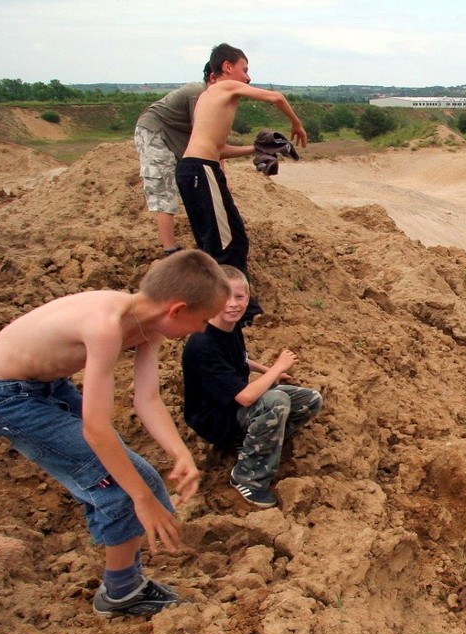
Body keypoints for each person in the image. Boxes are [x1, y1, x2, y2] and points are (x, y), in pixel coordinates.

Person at [0, 250, 230, 618]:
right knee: (122, 484)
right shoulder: (105, 326)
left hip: (47, 387)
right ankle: (121, 593)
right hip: (5, 398)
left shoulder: (147, 324)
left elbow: (147, 398)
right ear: (177, 310)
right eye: (201, 321)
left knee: (138, 480)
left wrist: (179, 453)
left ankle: (125, 576)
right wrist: (141, 499)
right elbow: (96, 429)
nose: (202, 330)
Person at [175, 43, 308, 325]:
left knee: (225, 240)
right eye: (244, 69)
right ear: (226, 67)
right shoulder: (222, 88)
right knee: (226, 244)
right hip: (202, 171)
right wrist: (296, 125)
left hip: (198, 169)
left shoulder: (208, 99)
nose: (247, 78)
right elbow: (276, 97)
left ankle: (215, 304)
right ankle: (235, 309)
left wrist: (256, 148)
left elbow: (218, 148)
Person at [182, 265, 323, 508]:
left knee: (310, 399)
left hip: (233, 407)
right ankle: (248, 477)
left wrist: (265, 370)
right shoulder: (202, 344)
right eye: (224, 296)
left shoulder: (229, 326)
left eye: (239, 296)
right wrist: (278, 367)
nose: (233, 304)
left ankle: (254, 443)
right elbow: (246, 398)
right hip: (215, 420)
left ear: (248, 297)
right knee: (275, 403)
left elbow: (240, 359)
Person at [135, 62, 254, 255]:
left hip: (179, 134)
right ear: (213, 78)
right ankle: (170, 251)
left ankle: (206, 240)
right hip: (155, 132)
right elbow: (206, 141)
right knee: (164, 191)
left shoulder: (215, 100)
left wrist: (222, 177)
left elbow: (213, 145)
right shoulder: (200, 95)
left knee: (198, 182)